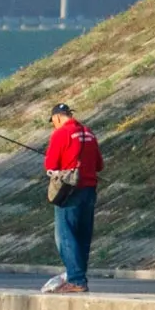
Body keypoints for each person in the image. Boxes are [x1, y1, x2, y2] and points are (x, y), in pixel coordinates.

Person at [43, 102, 102, 293]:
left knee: (65, 235)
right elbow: (99, 164)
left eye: (53, 121)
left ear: (58, 117)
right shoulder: (89, 133)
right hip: (90, 190)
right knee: (83, 236)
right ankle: (78, 276)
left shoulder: (61, 133)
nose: (54, 125)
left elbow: (50, 164)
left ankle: (76, 280)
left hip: (70, 191)